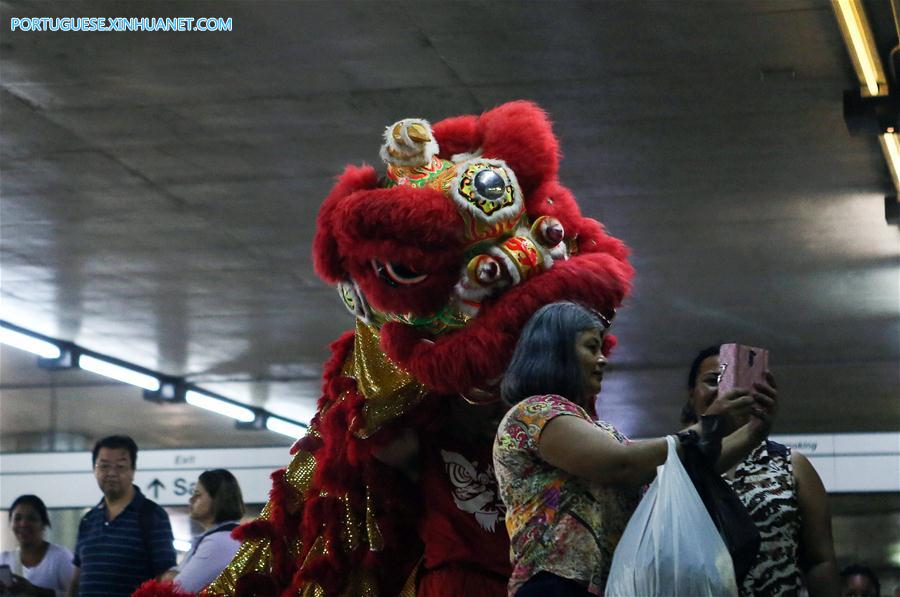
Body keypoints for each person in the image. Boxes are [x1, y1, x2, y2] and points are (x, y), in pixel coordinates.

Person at [493, 302, 777, 596]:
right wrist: (709, 425)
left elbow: (675, 469)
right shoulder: (534, 413)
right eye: (592, 348)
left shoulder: (599, 430)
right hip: (554, 587)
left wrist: (754, 432)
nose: (602, 359)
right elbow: (622, 464)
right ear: (557, 351)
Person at [682, 345, 839, 596]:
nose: (723, 391)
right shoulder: (675, 462)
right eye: (713, 381)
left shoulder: (790, 465)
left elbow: (821, 561)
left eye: (734, 381)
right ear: (692, 395)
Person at [68, 435, 176, 597]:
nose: (112, 473)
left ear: (133, 471)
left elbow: (166, 577)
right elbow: (77, 580)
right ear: (94, 469)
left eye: (120, 466)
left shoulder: (152, 516)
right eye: (104, 466)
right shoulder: (88, 520)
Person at [162, 469, 245, 592]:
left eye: (198, 494)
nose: (191, 500)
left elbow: (178, 590)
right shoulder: (226, 536)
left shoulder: (217, 542)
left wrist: (172, 578)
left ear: (217, 499)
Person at [0, 495, 74, 596]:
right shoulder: (4, 559)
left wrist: (36, 592)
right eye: (17, 518)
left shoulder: (60, 557)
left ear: (43, 524)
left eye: (32, 518)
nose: (23, 524)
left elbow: (78, 593)